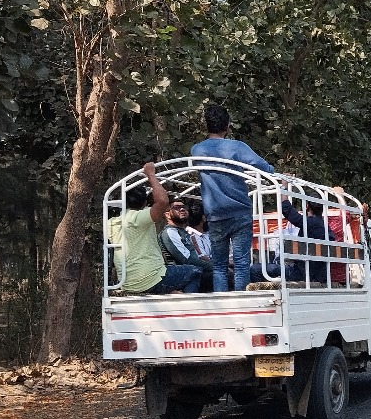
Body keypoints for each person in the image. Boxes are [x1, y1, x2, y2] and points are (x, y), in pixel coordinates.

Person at [190, 104, 275, 293]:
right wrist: (274, 173)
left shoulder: (197, 150)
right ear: (227, 125)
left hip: (215, 214)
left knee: (219, 265)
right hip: (239, 211)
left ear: (207, 125)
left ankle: (221, 300)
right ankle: (241, 301)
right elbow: (262, 167)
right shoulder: (237, 147)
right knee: (241, 262)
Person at [107, 163, 203, 295]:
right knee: (195, 271)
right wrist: (151, 175)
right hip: (149, 278)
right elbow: (163, 201)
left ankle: (172, 294)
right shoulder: (138, 218)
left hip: (128, 282)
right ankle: (185, 308)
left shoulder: (112, 223)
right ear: (145, 203)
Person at [281, 197, 330, 286]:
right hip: (318, 274)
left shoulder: (312, 223)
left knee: (256, 270)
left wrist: (283, 190)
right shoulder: (324, 225)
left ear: (307, 206)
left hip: (304, 273)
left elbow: (290, 213)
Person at [160, 197, 213, 278]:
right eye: (176, 208)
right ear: (167, 215)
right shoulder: (170, 232)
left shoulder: (185, 231)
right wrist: (216, 267)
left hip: (195, 270)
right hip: (181, 274)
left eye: (184, 207)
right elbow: (186, 259)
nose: (182, 209)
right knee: (224, 274)